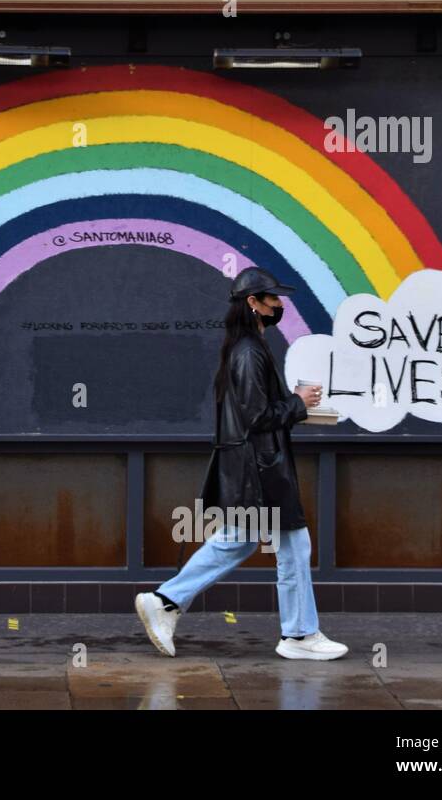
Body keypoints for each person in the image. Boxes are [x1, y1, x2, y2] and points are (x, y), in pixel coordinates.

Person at [134, 267, 348, 661]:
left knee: (242, 540)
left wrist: (296, 403)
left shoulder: (245, 348)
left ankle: (166, 601)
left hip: (253, 467)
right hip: (261, 469)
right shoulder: (249, 351)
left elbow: (253, 412)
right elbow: (256, 416)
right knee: (292, 544)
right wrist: (300, 403)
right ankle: (299, 634)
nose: (279, 305)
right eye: (273, 299)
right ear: (254, 303)